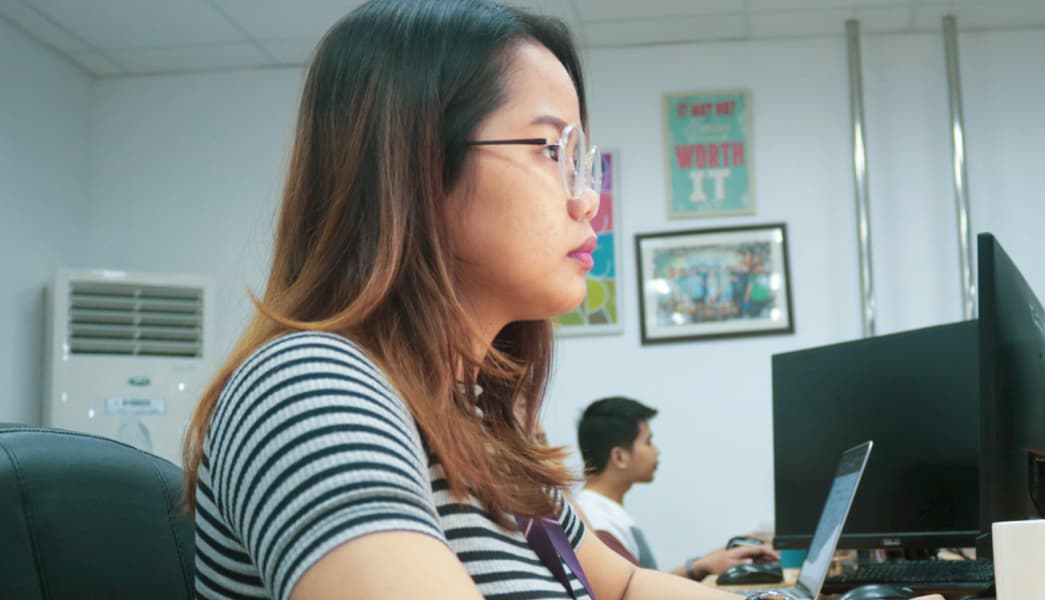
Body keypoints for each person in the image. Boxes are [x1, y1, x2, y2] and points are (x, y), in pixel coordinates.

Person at [178, 1, 762, 598]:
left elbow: (627, 589)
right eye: (550, 150)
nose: (587, 201)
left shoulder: (482, 427)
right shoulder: (311, 384)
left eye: (581, 162)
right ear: (417, 163)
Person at [575, 396, 780, 580]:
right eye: (648, 442)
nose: (656, 451)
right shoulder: (598, 523)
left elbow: (645, 582)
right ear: (619, 457)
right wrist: (699, 567)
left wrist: (713, 559)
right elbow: (636, 593)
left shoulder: (605, 511)